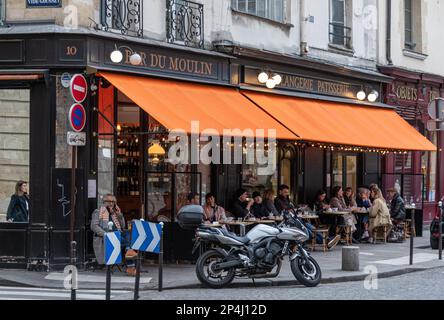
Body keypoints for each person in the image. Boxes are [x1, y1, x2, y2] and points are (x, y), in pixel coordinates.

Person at [90, 194, 138, 276]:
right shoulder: (98, 212)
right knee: (128, 242)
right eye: (109, 201)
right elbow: (94, 226)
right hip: (107, 236)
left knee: (130, 233)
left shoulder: (114, 213)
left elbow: (122, 226)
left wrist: (119, 215)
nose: (111, 203)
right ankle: (131, 265)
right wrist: (106, 234)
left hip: (118, 234)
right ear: (103, 202)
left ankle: (128, 250)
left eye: (113, 202)